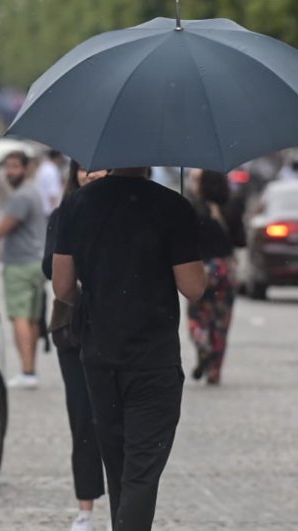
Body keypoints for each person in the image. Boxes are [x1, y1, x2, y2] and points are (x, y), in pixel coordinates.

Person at [51, 166, 206, 530]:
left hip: (99, 353)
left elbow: (62, 288)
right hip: (153, 357)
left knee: (118, 467)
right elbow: (193, 288)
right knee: (142, 471)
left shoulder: (76, 205)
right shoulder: (172, 206)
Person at [43, 161, 108, 531]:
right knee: (83, 418)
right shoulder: (64, 213)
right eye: (86, 168)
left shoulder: (125, 214)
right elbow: (48, 268)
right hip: (73, 328)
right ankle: (86, 507)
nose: (93, 174)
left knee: (115, 420)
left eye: (103, 169)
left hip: (117, 326)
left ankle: (124, 502)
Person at [0, 151, 48, 389]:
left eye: (15, 166)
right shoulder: (31, 192)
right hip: (35, 261)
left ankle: (27, 371)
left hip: (20, 265)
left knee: (21, 317)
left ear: (26, 169)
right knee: (32, 318)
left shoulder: (22, 196)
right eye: (7, 167)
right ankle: (30, 369)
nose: (10, 171)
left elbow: (3, 228)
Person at [186, 169, 244, 385]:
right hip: (225, 269)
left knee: (197, 314)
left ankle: (202, 343)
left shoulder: (192, 208)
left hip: (201, 269)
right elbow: (241, 241)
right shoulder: (233, 206)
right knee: (221, 322)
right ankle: (214, 371)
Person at [36, 149, 66, 213]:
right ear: (58, 157)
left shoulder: (43, 167)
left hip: (42, 207)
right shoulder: (53, 170)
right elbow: (53, 193)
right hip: (49, 210)